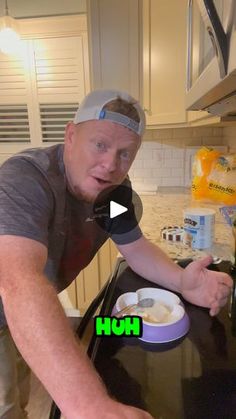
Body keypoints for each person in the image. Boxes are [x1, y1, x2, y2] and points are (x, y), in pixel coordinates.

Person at [0, 88, 232, 419]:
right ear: (70, 135)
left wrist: (183, 281)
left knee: (19, 388)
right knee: (4, 403)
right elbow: (19, 282)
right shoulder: (25, 179)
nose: (110, 164)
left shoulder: (115, 195)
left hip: (19, 315)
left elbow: (136, 249)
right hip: (7, 302)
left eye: (125, 154)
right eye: (100, 145)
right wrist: (89, 405)